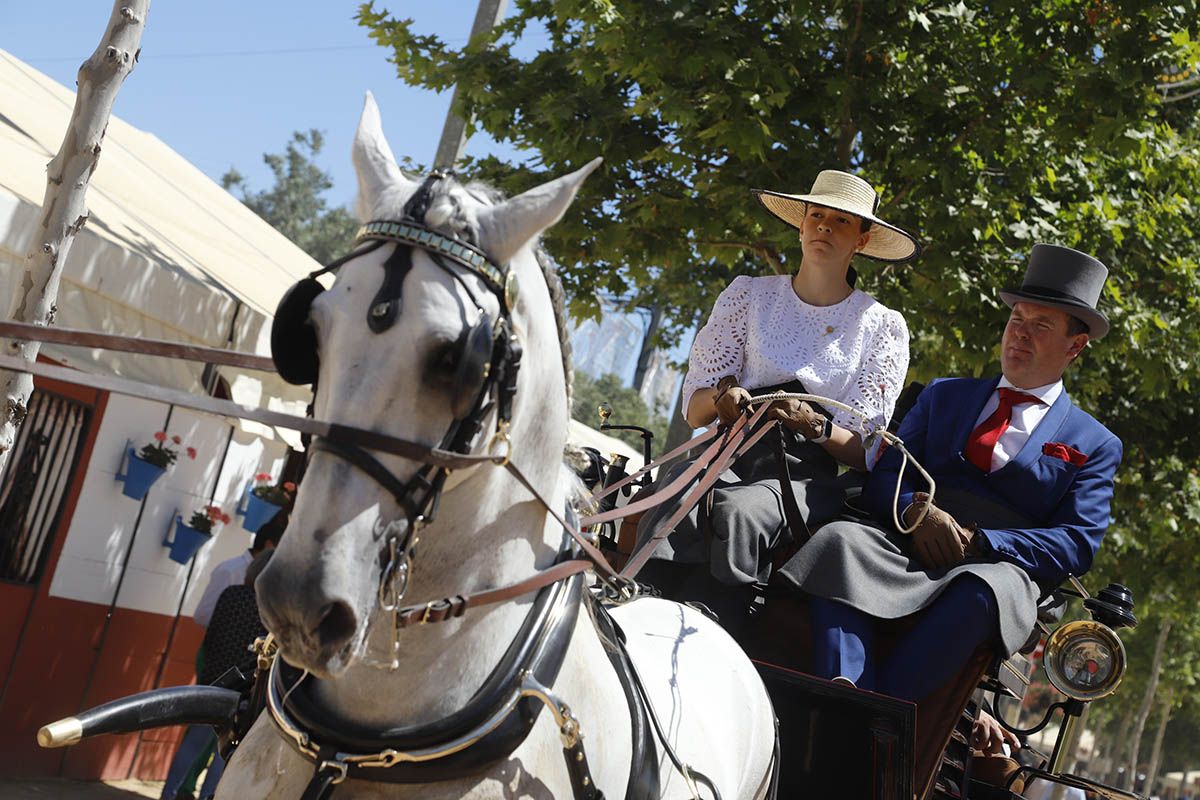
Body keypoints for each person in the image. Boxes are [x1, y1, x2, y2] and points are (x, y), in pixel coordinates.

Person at [778, 243, 1122, 702]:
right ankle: (847, 695)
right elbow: (885, 476)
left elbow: (1077, 542)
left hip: (998, 568)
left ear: (1075, 346)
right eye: (1017, 319)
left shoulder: (1095, 444)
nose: (1021, 334)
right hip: (902, 545)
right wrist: (917, 514)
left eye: (1041, 326)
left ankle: (884, 716)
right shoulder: (943, 395)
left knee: (982, 590)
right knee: (841, 541)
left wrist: (983, 540)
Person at [634, 169, 921, 636]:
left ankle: (717, 634)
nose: (824, 226)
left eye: (841, 222)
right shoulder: (749, 295)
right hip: (728, 449)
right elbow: (695, 410)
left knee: (740, 513)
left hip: (805, 476)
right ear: (802, 225)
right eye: (817, 215)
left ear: (862, 240)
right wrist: (724, 399)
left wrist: (815, 425)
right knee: (678, 493)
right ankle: (638, 614)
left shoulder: (881, 326)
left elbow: (868, 450)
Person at [159, 511, 286, 800]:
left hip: (214, 677)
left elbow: (211, 634)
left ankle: (169, 794)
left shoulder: (230, 595)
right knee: (227, 751)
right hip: (244, 690)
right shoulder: (269, 612)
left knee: (195, 742)